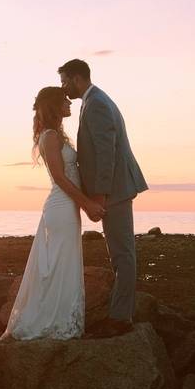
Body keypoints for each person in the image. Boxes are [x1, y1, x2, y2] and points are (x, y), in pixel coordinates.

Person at [2, 87, 106, 340]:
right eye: (64, 101)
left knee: (64, 263)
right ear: (53, 106)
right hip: (61, 207)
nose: (69, 103)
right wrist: (87, 205)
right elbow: (59, 178)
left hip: (67, 207)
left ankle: (61, 319)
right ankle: (53, 323)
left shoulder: (58, 135)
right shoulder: (49, 136)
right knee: (59, 265)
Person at [59, 59, 148, 335]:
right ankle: (121, 312)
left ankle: (121, 318)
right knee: (120, 253)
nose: (63, 88)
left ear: (76, 78)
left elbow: (106, 152)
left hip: (115, 189)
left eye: (64, 81)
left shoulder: (96, 103)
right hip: (115, 188)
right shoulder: (93, 101)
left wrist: (99, 194)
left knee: (123, 254)